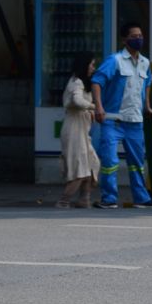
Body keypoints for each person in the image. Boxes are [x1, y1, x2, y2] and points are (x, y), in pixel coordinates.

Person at [90, 21, 152, 209]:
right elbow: (97, 81)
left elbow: (146, 85)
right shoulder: (114, 60)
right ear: (124, 39)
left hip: (135, 121)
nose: (138, 39)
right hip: (112, 120)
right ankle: (109, 199)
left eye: (140, 36)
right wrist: (99, 107)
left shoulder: (145, 63)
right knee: (109, 161)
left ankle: (141, 198)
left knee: (137, 162)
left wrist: (147, 106)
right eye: (134, 36)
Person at [56, 52, 100, 209]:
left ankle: (84, 199)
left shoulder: (82, 82)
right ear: (84, 65)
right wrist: (95, 107)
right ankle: (63, 201)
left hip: (82, 130)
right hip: (74, 130)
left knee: (91, 164)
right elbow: (77, 100)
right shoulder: (76, 82)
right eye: (92, 64)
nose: (93, 68)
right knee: (80, 168)